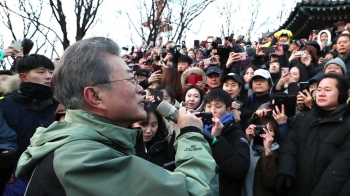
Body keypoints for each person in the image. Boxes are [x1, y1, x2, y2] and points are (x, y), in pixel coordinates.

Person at [15, 37, 218, 195]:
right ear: (95, 96)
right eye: (131, 80)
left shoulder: (91, 147)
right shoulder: (82, 160)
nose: (141, 89)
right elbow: (194, 191)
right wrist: (190, 134)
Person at [276, 74, 350, 195]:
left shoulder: (346, 126)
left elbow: (342, 167)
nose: (321, 93)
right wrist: (285, 170)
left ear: (341, 94)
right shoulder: (302, 118)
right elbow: (290, 147)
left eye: (327, 90)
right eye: (319, 89)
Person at [0, 54, 58, 195]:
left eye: (51, 72)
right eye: (41, 72)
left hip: (49, 176)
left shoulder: (61, 106)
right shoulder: (4, 104)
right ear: (23, 77)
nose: (48, 76)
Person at [203, 88, 250, 196]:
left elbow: (239, 170)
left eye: (218, 106)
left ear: (228, 110)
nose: (212, 111)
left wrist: (217, 140)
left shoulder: (236, 133)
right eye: (209, 106)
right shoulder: (200, 129)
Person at [131, 101, 174, 168]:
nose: (149, 130)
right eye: (143, 125)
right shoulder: (123, 147)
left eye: (153, 125)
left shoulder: (162, 144)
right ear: (131, 122)